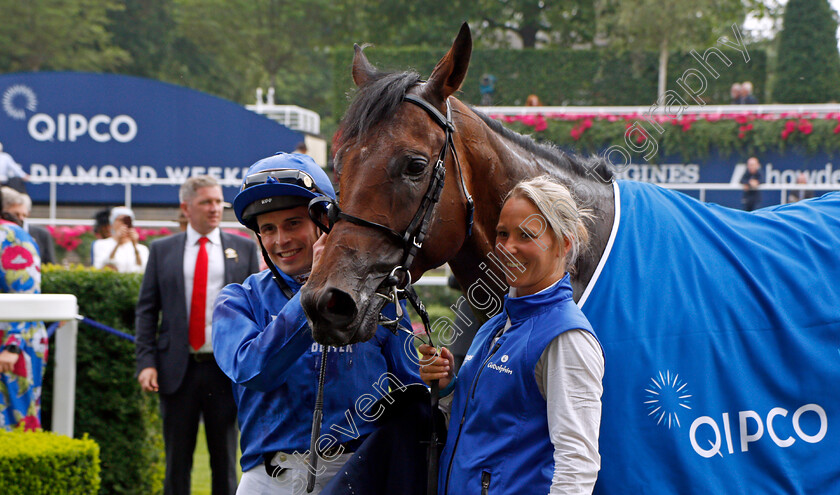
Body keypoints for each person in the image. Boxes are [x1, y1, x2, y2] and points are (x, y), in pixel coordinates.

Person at [212, 152, 422, 494]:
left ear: (325, 224)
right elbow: (254, 372)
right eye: (268, 229)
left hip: (359, 476)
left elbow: (411, 392)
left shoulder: (381, 295)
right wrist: (313, 292)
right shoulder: (236, 300)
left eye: (293, 223)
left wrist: (442, 381)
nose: (281, 240)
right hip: (269, 481)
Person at [420, 176, 605, 495]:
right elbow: (478, 428)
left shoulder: (567, 337)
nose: (507, 247)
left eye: (526, 235)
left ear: (563, 244)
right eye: (502, 234)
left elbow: (578, 463)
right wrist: (449, 388)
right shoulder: (494, 326)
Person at [135, 176, 260, 495]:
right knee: (177, 461)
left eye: (219, 202)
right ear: (185, 208)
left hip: (225, 371)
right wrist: (146, 362)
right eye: (206, 202)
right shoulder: (162, 250)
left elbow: (256, 310)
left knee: (225, 459)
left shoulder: (243, 248)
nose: (215, 208)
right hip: (176, 370)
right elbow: (147, 310)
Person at [0, 187, 47, 431]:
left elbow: (27, 293)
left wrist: (12, 346)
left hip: (12, 345)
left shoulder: (11, 236)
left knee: (17, 425)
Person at [1, 187, 56, 265]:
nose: (21, 219)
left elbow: (50, 265)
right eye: (16, 214)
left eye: (24, 215)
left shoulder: (41, 234)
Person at [92, 206, 149, 273]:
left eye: (128, 220)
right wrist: (117, 244)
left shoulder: (142, 249)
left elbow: (144, 270)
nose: (124, 223)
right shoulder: (100, 244)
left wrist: (135, 245)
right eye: (120, 220)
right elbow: (100, 268)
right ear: (112, 223)